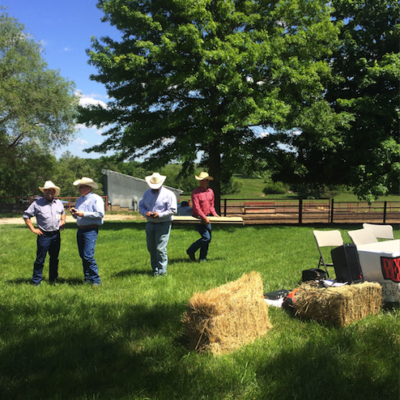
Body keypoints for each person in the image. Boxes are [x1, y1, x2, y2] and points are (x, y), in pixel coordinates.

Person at [23, 181, 66, 285]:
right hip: (44, 235)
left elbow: (63, 213)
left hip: (56, 234)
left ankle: (53, 279)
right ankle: (36, 281)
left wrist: (63, 221)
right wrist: (33, 229)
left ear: (54, 191)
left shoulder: (59, 203)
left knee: (54, 258)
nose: (47, 192)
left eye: (49, 190)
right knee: (40, 259)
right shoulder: (37, 203)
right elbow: (26, 216)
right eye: (45, 190)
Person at [139, 172, 177, 277]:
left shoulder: (169, 194)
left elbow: (173, 210)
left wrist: (159, 215)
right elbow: (141, 206)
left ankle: (162, 272)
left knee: (160, 249)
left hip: (163, 223)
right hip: (150, 223)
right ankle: (155, 270)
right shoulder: (147, 193)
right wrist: (145, 213)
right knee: (151, 248)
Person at [70, 177, 104, 286]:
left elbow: (100, 214)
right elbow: (78, 217)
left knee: (88, 255)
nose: (79, 189)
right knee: (83, 255)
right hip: (81, 229)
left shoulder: (96, 198)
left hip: (91, 230)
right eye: (79, 187)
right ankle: (87, 278)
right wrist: (75, 214)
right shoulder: (80, 200)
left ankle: (96, 280)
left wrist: (83, 214)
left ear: (88, 188)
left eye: (81, 187)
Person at [186, 172, 219, 262]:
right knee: (206, 237)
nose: (201, 182)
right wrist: (204, 218)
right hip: (197, 217)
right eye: (200, 180)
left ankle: (203, 258)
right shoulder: (195, 193)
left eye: (203, 180)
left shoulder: (211, 192)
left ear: (207, 181)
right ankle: (190, 250)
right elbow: (196, 208)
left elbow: (211, 205)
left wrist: (215, 214)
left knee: (208, 238)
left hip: (208, 216)